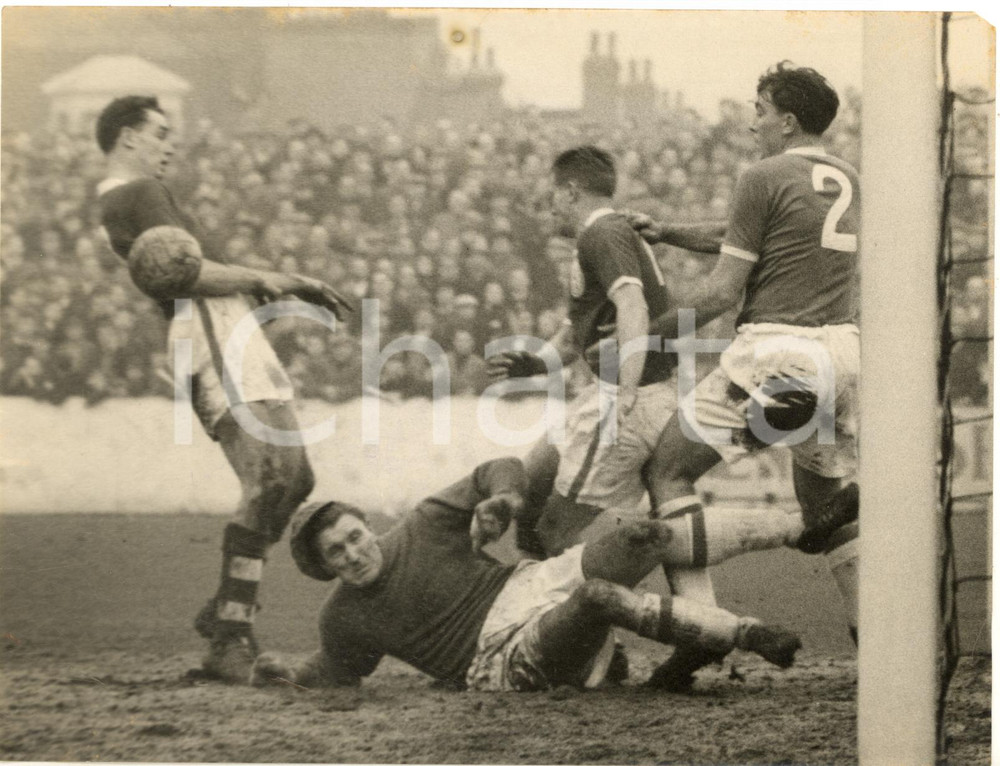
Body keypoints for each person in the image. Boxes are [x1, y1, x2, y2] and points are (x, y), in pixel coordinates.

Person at [95, 95, 351, 683]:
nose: (170, 144)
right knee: (268, 479)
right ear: (128, 137)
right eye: (160, 133)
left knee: (296, 478)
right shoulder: (137, 193)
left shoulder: (129, 199)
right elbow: (186, 274)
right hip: (209, 330)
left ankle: (224, 608)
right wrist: (280, 278)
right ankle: (230, 633)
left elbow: (182, 267)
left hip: (227, 327)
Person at [628, 62, 861, 690]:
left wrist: (647, 336)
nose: (753, 123)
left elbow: (723, 292)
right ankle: (877, 643)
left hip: (777, 353)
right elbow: (753, 236)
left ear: (787, 120)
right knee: (828, 508)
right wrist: (670, 232)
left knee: (667, 469)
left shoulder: (761, 175)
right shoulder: (848, 177)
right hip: (842, 354)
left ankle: (701, 635)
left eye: (760, 111)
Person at [250, 457, 803, 692]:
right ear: (322, 569)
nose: (352, 554)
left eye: (353, 536)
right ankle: (745, 632)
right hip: (499, 657)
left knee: (646, 534)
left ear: (366, 525)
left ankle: (799, 527)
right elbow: (335, 670)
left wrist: (504, 498)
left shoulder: (422, 524)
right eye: (336, 554)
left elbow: (499, 468)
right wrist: (285, 672)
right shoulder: (343, 617)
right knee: (596, 598)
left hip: (530, 583)